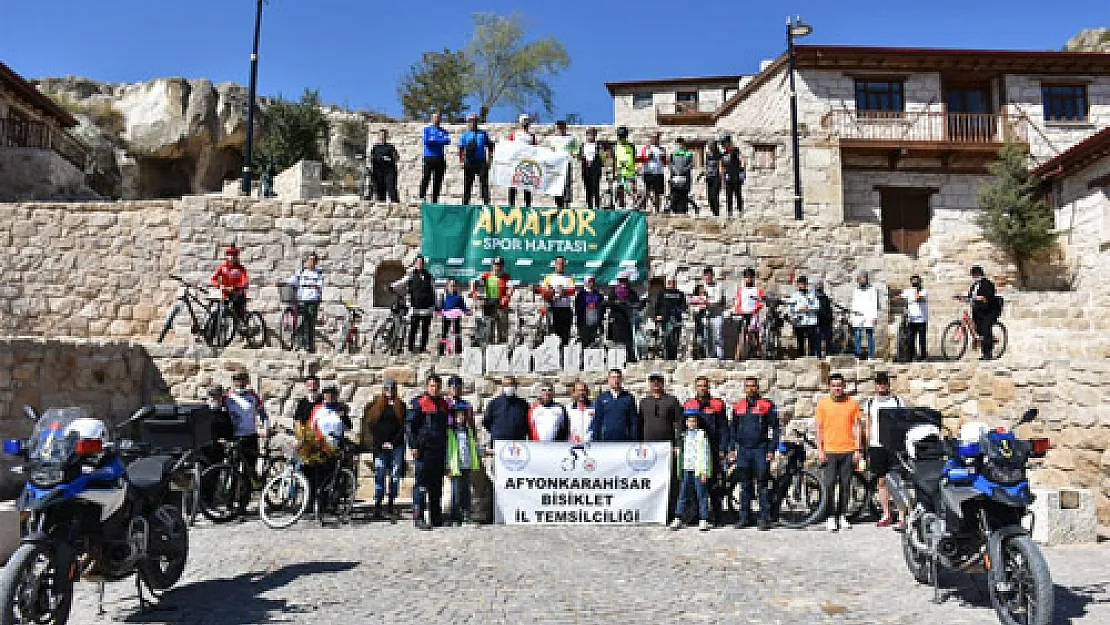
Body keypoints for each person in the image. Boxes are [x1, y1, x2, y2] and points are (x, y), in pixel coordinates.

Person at [726, 377, 779, 530]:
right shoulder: (738, 406)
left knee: (762, 485)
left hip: (760, 449)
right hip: (743, 450)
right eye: (747, 386)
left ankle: (764, 519)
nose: (750, 389)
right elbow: (733, 429)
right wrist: (731, 448)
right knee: (745, 485)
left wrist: (771, 449)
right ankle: (745, 517)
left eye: (753, 386)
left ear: (758, 388)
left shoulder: (766, 405)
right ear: (744, 388)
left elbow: (776, 429)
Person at [816, 373, 862, 532]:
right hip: (830, 450)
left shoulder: (852, 403)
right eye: (834, 385)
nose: (837, 388)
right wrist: (820, 449)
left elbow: (857, 427)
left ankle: (842, 515)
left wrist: (858, 449)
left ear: (844, 386)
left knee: (845, 485)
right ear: (830, 387)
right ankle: (830, 516)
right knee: (829, 485)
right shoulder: (823, 404)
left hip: (848, 450)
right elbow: (819, 428)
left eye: (839, 385)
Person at [296, 385, 352, 514]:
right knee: (314, 476)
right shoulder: (318, 408)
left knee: (330, 476)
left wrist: (343, 416)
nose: (329, 396)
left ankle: (327, 504)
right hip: (319, 446)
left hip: (334, 446)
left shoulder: (340, 408)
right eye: (327, 394)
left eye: (332, 394)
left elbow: (348, 427)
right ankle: (311, 503)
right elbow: (311, 426)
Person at [862, 372, 906, 528]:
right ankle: (886, 514)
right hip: (876, 446)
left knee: (897, 482)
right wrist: (865, 449)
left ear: (888, 383)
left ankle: (902, 515)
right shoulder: (870, 402)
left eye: (884, 382)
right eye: (878, 383)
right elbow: (867, 426)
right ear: (875, 384)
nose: (881, 385)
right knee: (881, 481)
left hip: (894, 447)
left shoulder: (898, 401)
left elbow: (904, 424)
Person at [683, 376, 728, 525]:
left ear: (709, 387)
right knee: (694, 486)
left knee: (714, 484)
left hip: (713, 451)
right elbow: (683, 428)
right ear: (696, 387)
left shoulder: (717, 404)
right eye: (699, 386)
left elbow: (723, 428)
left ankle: (718, 515)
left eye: (705, 386)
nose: (702, 388)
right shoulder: (689, 404)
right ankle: (695, 515)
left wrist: (723, 448)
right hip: (695, 452)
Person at [407, 374, 450, 530]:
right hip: (423, 451)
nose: (435, 389)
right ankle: (418, 517)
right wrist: (413, 446)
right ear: (427, 386)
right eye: (432, 386)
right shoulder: (419, 403)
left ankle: (436, 517)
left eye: (437, 386)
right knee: (421, 485)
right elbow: (410, 427)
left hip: (438, 451)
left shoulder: (444, 404)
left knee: (436, 486)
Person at [361, 379, 407, 521]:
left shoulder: (401, 406)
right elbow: (372, 427)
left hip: (396, 445)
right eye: (387, 389)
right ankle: (378, 502)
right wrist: (382, 443)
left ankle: (391, 502)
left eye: (392, 388)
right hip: (380, 446)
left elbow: (403, 427)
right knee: (380, 472)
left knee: (394, 474)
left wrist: (392, 442)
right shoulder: (376, 406)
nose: (390, 391)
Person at [224, 371, 268, 515]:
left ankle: (243, 503)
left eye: (242, 380)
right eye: (237, 380)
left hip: (250, 437)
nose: (240, 383)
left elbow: (262, 413)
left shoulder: (253, 396)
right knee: (233, 470)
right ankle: (230, 502)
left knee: (249, 470)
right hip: (235, 438)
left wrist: (266, 428)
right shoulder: (227, 397)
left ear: (247, 381)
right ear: (233, 381)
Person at [669, 408, 712, 532]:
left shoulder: (702, 434)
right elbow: (680, 452)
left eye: (694, 421)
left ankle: (704, 519)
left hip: (698, 469)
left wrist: (704, 471)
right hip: (686, 469)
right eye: (689, 421)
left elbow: (705, 453)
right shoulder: (683, 435)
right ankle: (678, 517)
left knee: (701, 494)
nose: (692, 423)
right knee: (682, 494)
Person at [445, 375, 480, 525]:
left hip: (465, 447)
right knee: (455, 488)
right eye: (453, 387)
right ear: (449, 388)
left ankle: (466, 513)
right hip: (452, 448)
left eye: (458, 387)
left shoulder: (466, 405)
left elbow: (472, 427)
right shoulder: (445, 404)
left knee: (465, 487)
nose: (455, 389)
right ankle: (455, 515)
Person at [392, 255, 435, 353]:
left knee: (425, 330)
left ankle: (422, 349)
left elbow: (433, 290)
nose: (420, 264)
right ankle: (410, 349)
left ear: (424, 264)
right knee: (413, 328)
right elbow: (402, 282)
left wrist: (435, 304)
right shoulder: (411, 274)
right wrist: (392, 286)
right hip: (415, 307)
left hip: (427, 307)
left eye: (421, 263)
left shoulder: (429, 276)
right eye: (418, 262)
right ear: (415, 264)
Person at [481, 376, 530, 452]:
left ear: (516, 386)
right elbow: (486, 422)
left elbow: (528, 423)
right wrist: (497, 432)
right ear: (502, 387)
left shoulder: (523, 404)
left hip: (517, 444)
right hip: (499, 443)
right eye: (506, 385)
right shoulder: (494, 403)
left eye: (511, 384)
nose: (509, 387)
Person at [472, 257, 514, 344]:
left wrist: (507, 296)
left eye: (499, 265)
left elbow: (511, 287)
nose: (497, 267)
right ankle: (488, 349)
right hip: (488, 305)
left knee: (503, 330)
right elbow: (473, 282)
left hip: (501, 305)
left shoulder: (506, 277)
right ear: (492, 265)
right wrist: (474, 293)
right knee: (489, 330)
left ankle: (502, 350)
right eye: (496, 265)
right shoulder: (486, 275)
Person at [590, 369, 640, 442]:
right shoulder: (602, 398)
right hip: (606, 440)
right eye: (613, 377)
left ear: (621, 379)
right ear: (609, 380)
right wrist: (595, 440)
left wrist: (634, 440)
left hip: (624, 440)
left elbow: (633, 421)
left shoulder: (629, 397)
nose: (616, 380)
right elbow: (597, 421)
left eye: (618, 377)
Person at [459, 113, 494, 205]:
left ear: (477, 122)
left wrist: (490, 160)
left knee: (484, 183)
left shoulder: (483, 134)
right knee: (467, 184)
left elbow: (490, 146)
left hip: (481, 162)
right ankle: (465, 204)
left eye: (474, 120)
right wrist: (461, 161)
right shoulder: (465, 135)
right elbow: (461, 149)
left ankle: (486, 203)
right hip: (469, 162)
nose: (473, 122)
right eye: (470, 121)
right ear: (468, 122)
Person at [291, 252, 324, 352]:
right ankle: (299, 344)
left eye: (313, 260)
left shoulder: (318, 273)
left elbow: (320, 285)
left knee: (310, 323)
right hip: (302, 299)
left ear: (316, 262)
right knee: (300, 322)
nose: (311, 262)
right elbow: (293, 280)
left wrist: (311, 285)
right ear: (307, 261)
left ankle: (310, 346)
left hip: (313, 300)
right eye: (310, 260)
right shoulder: (301, 272)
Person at [638, 371, 682, 444]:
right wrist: (640, 442)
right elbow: (640, 424)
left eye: (658, 380)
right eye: (653, 380)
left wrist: (678, 443)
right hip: (648, 444)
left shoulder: (672, 400)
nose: (656, 382)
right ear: (650, 383)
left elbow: (679, 422)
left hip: (667, 444)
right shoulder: (644, 402)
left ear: (663, 382)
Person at [541, 255, 576, 346]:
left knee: (565, 334)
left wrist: (563, 292)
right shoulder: (549, 277)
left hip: (565, 309)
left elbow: (572, 290)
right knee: (554, 334)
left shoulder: (569, 277)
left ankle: (564, 355)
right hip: (554, 309)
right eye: (559, 263)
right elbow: (544, 291)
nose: (560, 265)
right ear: (555, 264)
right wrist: (550, 293)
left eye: (562, 264)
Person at [606, 272, 641, 362]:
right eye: (621, 281)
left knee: (628, 340)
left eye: (625, 280)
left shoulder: (632, 292)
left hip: (628, 319)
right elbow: (608, 303)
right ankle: (616, 360)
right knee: (616, 340)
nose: (623, 283)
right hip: (616, 319)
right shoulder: (613, 292)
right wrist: (617, 303)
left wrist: (631, 305)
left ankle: (630, 358)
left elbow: (637, 304)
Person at [210, 245, 249, 319]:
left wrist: (235, 287)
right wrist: (219, 285)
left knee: (238, 312)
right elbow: (213, 279)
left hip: (237, 294)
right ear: (226, 256)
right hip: (225, 294)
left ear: (237, 257)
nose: (231, 257)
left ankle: (242, 323)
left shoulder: (241, 269)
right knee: (218, 312)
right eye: (229, 255)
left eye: (234, 255)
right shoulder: (222, 267)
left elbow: (245, 282)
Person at [507, 114, 537, 207]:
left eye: (527, 121)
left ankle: (528, 205)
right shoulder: (514, 134)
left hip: (527, 162)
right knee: (513, 183)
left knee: (527, 184)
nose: (525, 123)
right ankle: (511, 204)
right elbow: (508, 146)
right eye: (524, 121)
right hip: (515, 162)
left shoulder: (531, 136)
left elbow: (535, 148)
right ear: (520, 122)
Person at [967, 265, 998, 360]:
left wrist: (982, 298)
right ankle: (984, 351)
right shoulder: (974, 286)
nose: (973, 277)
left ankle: (987, 354)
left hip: (987, 311)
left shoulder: (988, 284)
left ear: (978, 274)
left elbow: (989, 296)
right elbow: (970, 296)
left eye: (974, 275)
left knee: (985, 331)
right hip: (977, 311)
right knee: (979, 331)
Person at [418, 113, 450, 203]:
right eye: (435, 118)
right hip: (429, 157)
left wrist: (434, 139)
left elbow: (447, 141)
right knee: (426, 177)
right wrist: (439, 140)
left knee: (438, 180)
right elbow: (426, 141)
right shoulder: (427, 129)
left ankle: (435, 200)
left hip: (439, 157)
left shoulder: (444, 131)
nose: (437, 120)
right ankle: (421, 196)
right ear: (432, 119)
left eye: (438, 118)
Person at [653, 277, 687, 360]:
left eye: (673, 282)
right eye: (669, 282)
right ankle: (667, 357)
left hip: (676, 319)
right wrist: (657, 315)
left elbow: (683, 306)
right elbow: (657, 306)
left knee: (675, 338)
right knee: (667, 338)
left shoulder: (680, 294)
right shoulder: (662, 293)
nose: (671, 284)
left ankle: (673, 357)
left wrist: (679, 311)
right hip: (665, 319)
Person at [734, 267, 764, 359]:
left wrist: (755, 309)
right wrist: (739, 310)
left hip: (753, 314)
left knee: (755, 335)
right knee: (741, 335)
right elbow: (738, 302)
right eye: (747, 277)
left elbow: (760, 302)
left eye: (750, 277)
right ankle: (738, 356)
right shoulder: (741, 290)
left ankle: (759, 354)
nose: (748, 279)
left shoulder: (758, 290)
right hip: (743, 314)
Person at [547, 120, 579, 208]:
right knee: (556, 183)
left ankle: (567, 203)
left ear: (565, 128)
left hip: (566, 163)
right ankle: (558, 204)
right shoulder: (553, 139)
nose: (560, 129)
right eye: (559, 127)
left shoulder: (571, 139)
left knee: (567, 183)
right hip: (556, 164)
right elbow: (551, 151)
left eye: (562, 127)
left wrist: (569, 155)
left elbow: (575, 152)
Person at [898, 275, 929, 361]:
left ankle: (923, 356)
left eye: (917, 281)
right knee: (911, 339)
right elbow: (901, 297)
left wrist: (916, 290)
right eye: (913, 281)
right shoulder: (908, 291)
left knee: (922, 339)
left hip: (922, 319)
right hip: (912, 319)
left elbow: (918, 298)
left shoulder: (924, 291)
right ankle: (911, 356)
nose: (915, 283)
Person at [437, 278, 470, 356]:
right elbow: (440, 306)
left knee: (457, 333)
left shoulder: (459, 296)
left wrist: (467, 311)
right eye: (451, 285)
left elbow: (463, 307)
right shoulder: (444, 295)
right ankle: (441, 351)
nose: (452, 287)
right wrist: (439, 311)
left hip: (456, 317)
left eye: (454, 285)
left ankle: (458, 351)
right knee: (444, 334)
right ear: (447, 286)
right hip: (446, 317)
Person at [851, 271, 879, 360]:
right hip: (858, 315)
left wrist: (874, 316)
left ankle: (870, 355)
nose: (862, 280)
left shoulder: (872, 289)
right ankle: (858, 354)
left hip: (869, 314)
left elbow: (874, 303)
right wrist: (853, 316)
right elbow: (854, 303)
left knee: (869, 335)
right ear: (858, 280)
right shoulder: (856, 290)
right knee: (857, 335)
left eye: (864, 278)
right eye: (861, 278)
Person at [638, 132, 667, 213]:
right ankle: (643, 209)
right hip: (648, 172)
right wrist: (647, 158)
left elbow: (665, 163)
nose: (655, 140)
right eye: (653, 138)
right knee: (647, 192)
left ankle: (657, 210)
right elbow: (641, 160)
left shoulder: (662, 149)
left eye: (656, 138)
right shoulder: (646, 148)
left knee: (657, 193)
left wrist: (663, 159)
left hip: (659, 173)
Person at [573, 276, 605, 348]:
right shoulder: (580, 294)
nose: (591, 283)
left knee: (594, 342)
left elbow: (602, 306)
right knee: (585, 341)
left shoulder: (598, 294)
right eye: (589, 281)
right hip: (584, 321)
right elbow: (577, 308)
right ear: (585, 282)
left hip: (595, 321)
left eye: (593, 281)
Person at [789, 276, 817, 358]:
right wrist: (800, 309)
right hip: (800, 322)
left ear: (806, 285)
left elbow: (817, 306)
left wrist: (809, 308)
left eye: (804, 284)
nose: (802, 286)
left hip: (811, 321)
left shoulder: (812, 294)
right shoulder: (795, 295)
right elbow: (791, 308)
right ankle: (801, 358)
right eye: (800, 284)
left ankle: (812, 358)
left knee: (812, 342)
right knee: (800, 342)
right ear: (798, 285)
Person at [370, 128, 400, 202]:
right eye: (380, 135)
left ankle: (396, 206)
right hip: (378, 172)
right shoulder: (375, 147)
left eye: (384, 135)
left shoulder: (390, 147)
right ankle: (381, 210)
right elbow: (372, 158)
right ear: (378, 136)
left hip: (389, 172)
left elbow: (396, 158)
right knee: (380, 191)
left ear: (386, 136)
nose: (382, 137)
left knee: (391, 189)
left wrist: (389, 158)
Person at [702, 267, 726, 360]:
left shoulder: (718, 286)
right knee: (706, 336)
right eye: (706, 275)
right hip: (706, 315)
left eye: (709, 275)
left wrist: (707, 302)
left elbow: (718, 300)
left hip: (717, 314)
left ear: (712, 276)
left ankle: (720, 357)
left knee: (718, 336)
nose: (708, 277)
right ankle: (709, 356)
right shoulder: (702, 287)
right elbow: (698, 298)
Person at [579, 127, 605, 209]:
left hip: (595, 169)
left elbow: (602, 157)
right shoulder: (583, 145)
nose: (591, 137)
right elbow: (580, 156)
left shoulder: (598, 145)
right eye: (589, 134)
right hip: (586, 169)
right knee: (588, 188)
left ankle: (597, 206)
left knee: (596, 188)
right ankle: (589, 206)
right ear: (586, 136)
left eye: (593, 135)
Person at [668, 137, 695, 214]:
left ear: (683, 144)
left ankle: (682, 212)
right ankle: (674, 211)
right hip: (675, 178)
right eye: (678, 143)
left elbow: (691, 164)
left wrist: (683, 170)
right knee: (674, 196)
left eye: (681, 143)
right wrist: (674, 170)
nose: (680, 145)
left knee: (683, 196)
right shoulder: (673, 153)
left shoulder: (688, 153)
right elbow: (670, 164)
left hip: (685, 178)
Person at [720, 135, 746, 216]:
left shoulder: (735, 150)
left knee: (738, 194)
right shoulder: (723, 154)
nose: (723, 145)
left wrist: (742, 174)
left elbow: (743, 160)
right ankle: (729, 212)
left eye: (724, 143)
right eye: (722, 144)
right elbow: (722, 166)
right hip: (728, 177)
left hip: (737, 176)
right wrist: (723, 178)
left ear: (728, 142)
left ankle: (740, 211)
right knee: (729, 195)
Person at [613, 126, 637, 208]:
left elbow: (634, 159)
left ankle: (631, 208)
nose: (621, 138)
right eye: (619, 136)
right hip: (620, 173)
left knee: (630, 193)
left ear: (626, 136)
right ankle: (621, 209)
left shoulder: (631, 146)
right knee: (620, 192)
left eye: (623, 136)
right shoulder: (615, 147)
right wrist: (614, 173)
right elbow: (614, 160)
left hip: (630, 173)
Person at [702, 138, 723, 216]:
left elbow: (721, 167)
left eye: (711, 145)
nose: (710, 147)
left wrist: (722, 178)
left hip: (716, 177)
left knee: (714, 196)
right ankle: (714, 212)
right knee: (709, 197)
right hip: (709, 177)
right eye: (709, 145)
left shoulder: (719, 155)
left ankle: (717, 213)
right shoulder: (708, 155)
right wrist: (702, 174)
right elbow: (706, 166)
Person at [688, 284, 710, 359]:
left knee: (704, 337)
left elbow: (706, 306)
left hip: (703, 318)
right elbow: (692, 307)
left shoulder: (706, 298)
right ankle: (694, 354)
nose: (702, 290)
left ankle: (704, 354)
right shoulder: (694, 298)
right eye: (701, 289)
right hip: (695, 319)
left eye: (703, 289)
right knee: (694, 338)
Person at [814, 282, 835, 357]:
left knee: (828, 339)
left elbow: (829, 309)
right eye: (818, 286)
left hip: (827, 322)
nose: (819, 287)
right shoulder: (813, 298)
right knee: (817, 340)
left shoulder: (825, 297)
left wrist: (830, 318)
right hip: (817, 322)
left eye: (821, 286)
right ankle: (818, 356)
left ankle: (829, 355)